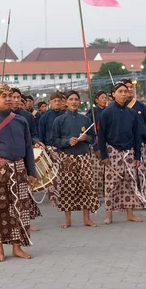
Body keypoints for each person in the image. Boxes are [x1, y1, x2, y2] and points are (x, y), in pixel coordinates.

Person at [0, 83, 37, 262]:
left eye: (11, 95)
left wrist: (31, 171)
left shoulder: (21, 120)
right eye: (4, 96)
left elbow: (27, 147)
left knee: (19, 209)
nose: (9, 99)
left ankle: (17, 248)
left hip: (19, 169)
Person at [98, 82, 143, 224]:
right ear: (113, 93)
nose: (124, 94)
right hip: (112, 151)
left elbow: (137, 135)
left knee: (130, 182)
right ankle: (109, 215)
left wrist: (137, 156)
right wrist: (104, 155)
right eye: (120, 91)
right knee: (111, 184)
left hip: (129, 151)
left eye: (125, 91)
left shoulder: (132, 113)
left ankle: (130, 213)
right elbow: (101, 136)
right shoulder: (106, 112)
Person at [52, 90, 98, 228]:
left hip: (84, 156)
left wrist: (86, 138)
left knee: (86, 187)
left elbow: (93, 137)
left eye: (76, 99)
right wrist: (67, 141)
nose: (74, 102)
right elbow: (54, 140)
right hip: (67, 158)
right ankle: (68, 220)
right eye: (71, 99)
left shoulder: (85, 119)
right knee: (67, 188)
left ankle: (87, 218)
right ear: (65, 102)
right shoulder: (59, 120)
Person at [11, 88, 42, 230]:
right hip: (5, 160)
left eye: (18, 97)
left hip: (23, 157)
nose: (16, 100)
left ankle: (27, 223)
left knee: (25, 192)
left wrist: (36, 141)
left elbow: (34, 134)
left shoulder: (27, 116)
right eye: (13, 97)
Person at [122, 78, 146, 209]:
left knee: (141, 173)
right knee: (126, 175)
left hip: (140, 144)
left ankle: (144, 201)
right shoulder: (115, 107)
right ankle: (128, 203)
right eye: (126, 87)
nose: (129, 90)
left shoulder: (140, 106)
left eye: (131, 87)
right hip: (123, 146)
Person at [38, 92, 66, 207]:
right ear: (50, 102)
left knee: (64, 173)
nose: (57, 102)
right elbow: (41, 134)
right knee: (52, 175)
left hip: (64, 147)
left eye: (59, 100)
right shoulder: (45, 117)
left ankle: (64, 196)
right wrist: (43, 149)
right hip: (50, 149)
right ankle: (53, 198)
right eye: (54, 101)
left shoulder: (65, 114)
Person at [86, 90, 108, 202]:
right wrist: (96, 147)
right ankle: (97, 194)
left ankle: (107, 193)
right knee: (97, 171)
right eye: (102, 97)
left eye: (106, 97)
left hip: (108, 144)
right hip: (96, 144)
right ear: (96, 100)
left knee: (107, 170)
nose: (105, 99)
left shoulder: (109, 111)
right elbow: (90, 132)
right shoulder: (92, 113)